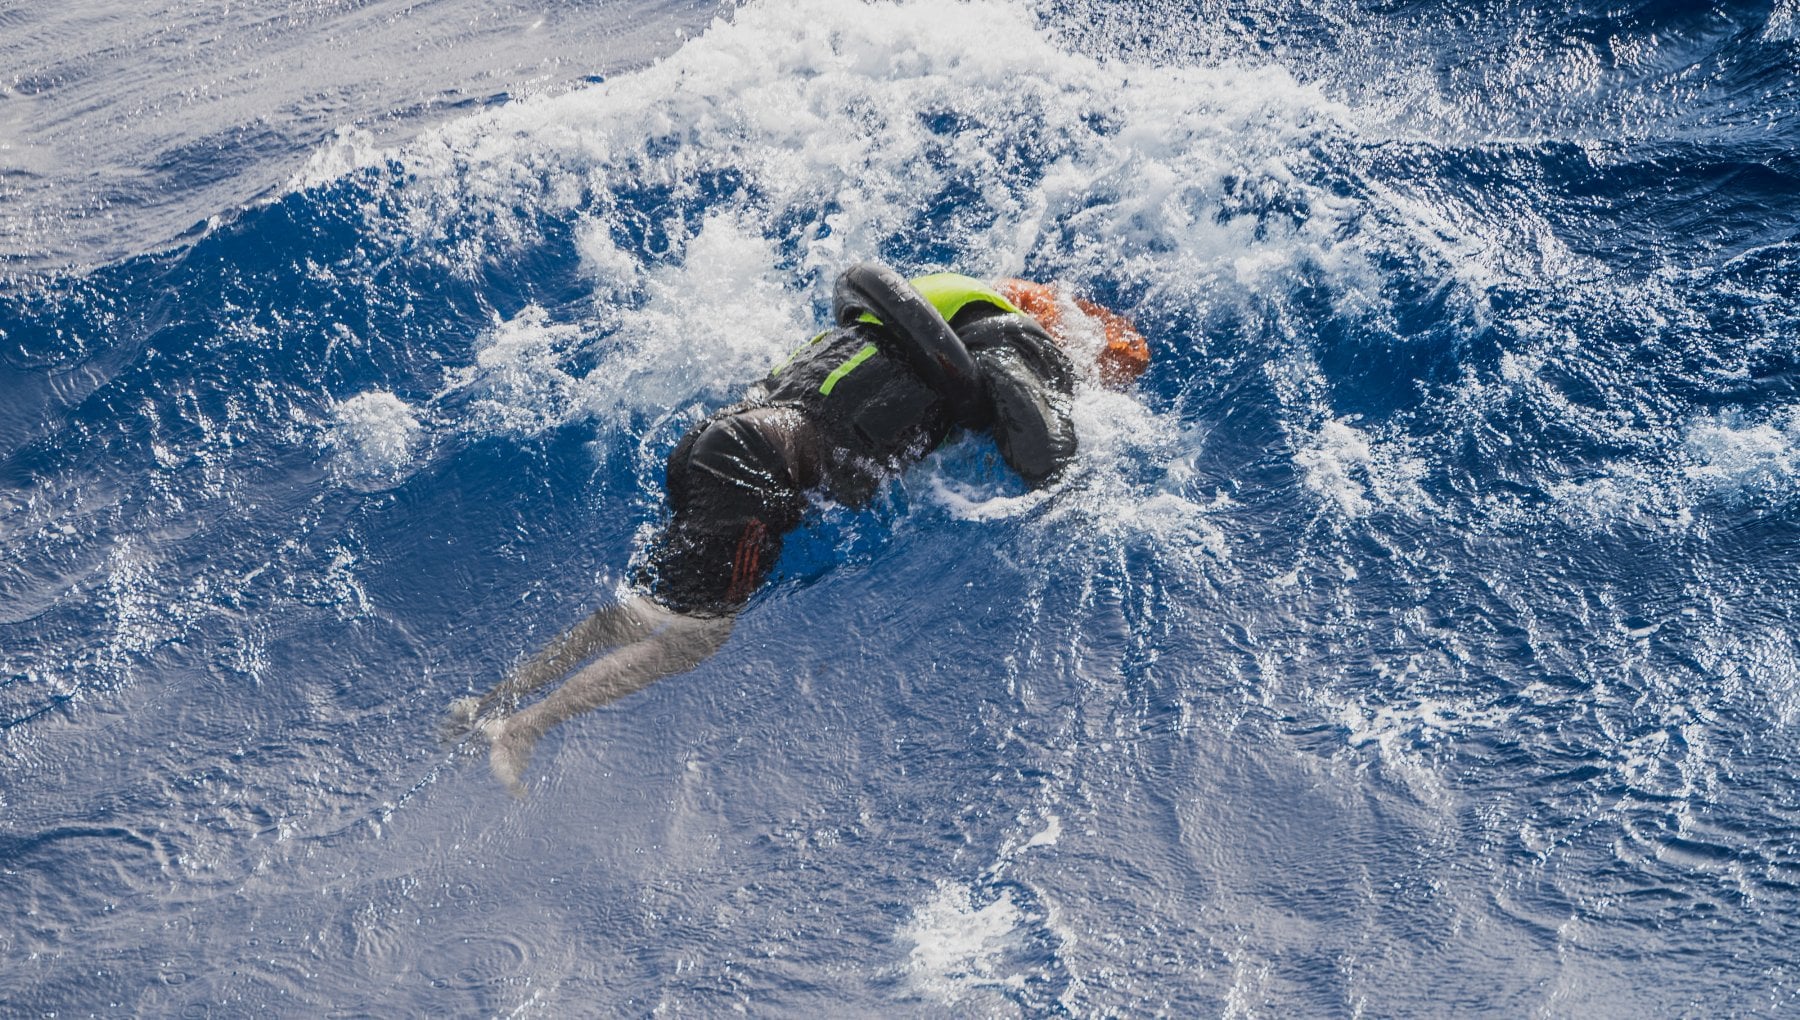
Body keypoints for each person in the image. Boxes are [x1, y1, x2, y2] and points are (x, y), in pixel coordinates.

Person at [445, 262, 1150, 794]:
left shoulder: (882, 332)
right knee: (695, 637)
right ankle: (520, 730)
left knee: (641, 615)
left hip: (717, 441)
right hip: (760, 466)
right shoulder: (1005, 343)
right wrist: (1077, 488)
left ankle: (489, 700)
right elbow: (1039, 445)